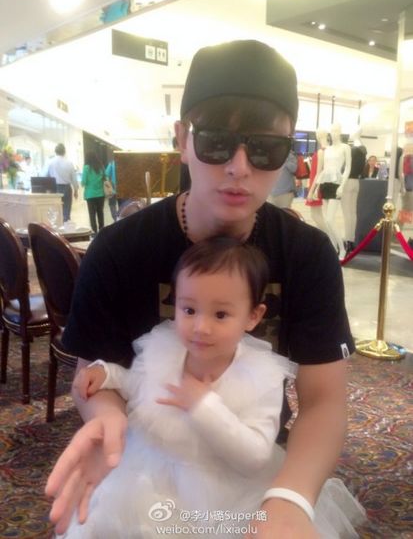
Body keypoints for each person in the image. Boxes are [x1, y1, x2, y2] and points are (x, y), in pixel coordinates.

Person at [46, 40, 356, 538]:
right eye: (215, 142)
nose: (239, 167)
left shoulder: (307, 254)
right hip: (148, 460)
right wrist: (103, 414)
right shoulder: (119, 249)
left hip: (251, 463)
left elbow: (323, 399)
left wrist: (291, 499)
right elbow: (95, 372)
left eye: (265, 148)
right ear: (182, 139)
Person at [57, 237, 364, 538]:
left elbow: (254, 455)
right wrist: (107, 374)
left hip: (226, 489)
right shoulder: (166, 348)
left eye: (220, 314)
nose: (201, 327)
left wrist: (204, 406)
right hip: (151, 469)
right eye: (189, 310)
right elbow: (140, 386)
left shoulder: (259, 376)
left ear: (253, 316)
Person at [307, 123, 352, 259]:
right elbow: (322, 171)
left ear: (340, 132)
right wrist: (315, 188)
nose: (334, 133)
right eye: (332, 130)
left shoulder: (345, 147)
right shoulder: (327, 150)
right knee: (327, 221)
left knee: (330, 219)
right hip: (325, 184)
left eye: (336, 130)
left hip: (336, 184)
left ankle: (342, 248)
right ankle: (333, 247)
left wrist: (342, 186)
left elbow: (347, 168)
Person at [340, 127, 367, 255]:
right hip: (356, 182)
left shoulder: (350, 150)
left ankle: (348, 241)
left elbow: (344, 168)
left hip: (347, 181)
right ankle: (351, 240)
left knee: (347, 213)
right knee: (352, 213)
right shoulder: (363, 149)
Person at [305, 128, 329, 234]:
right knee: (319, 215)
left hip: (316, 185)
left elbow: (318, 173)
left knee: (315, 215)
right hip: (319, 183)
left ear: (318, 136)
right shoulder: (328, 150)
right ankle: (326, 236)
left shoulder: (321, 151)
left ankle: (328, 236)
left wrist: (311, 191)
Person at [47, 143, 78, 222]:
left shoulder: (50, 162)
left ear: (55, 151)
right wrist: (76, 190)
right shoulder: (69, 163)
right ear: (64, 152)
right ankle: (66, 225)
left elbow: (45, 176)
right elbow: (74, 178)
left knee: (55, 211)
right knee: (66, 211)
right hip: (67, 188)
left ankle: (57, 227)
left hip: (54, 188)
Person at [81, 151, 105, 233]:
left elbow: (83, 182)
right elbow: (105, 178)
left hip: (90, 195)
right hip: (100, 194)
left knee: (92, 214)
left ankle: (94, 231)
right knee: (100, 212)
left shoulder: (86, 168)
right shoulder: (101, 167)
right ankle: (102, 230)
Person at [104, 155, 118, 222]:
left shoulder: (111, 164)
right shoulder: (124, 164)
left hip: (112, 189)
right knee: (123, 205)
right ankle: (121, 219)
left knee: (112, 205)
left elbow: (106, 175)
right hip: (122, 189)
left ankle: (115, 220)